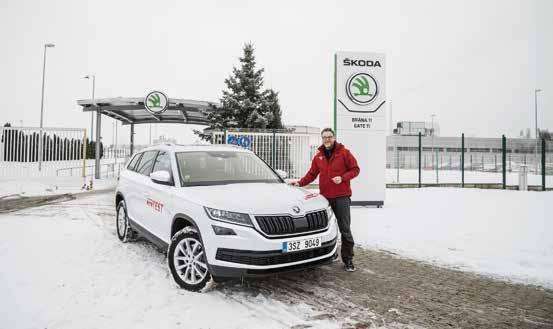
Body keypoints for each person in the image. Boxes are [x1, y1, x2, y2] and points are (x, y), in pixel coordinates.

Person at [290, 127, 360, 272]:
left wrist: (342, 178)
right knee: (327, 228)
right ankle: (330, 253)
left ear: (334, 137)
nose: (327, 139)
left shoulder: (344, 153)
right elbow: (312, 174)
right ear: (322, 139)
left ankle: (348, 259)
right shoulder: (318, 156)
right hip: (325, 198)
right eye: (324, 137)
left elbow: (355, 169)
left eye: (329, 136)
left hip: (342, 197)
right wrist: (299, 183)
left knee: (344, 229)